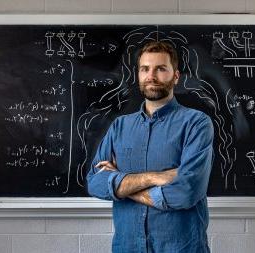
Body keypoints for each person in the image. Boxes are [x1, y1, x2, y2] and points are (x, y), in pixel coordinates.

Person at [86, 41, 214, 253]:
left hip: (181, 248)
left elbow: (186, 192)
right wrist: (154, 178)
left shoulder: (196, 123)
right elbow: (95, 182)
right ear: (138, 74)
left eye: (161, 69)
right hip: (128, 247)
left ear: (176, 76)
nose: (151, 76)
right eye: (145, 69)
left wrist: (122, 185)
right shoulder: (120, 126)